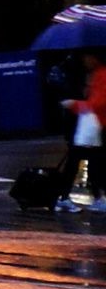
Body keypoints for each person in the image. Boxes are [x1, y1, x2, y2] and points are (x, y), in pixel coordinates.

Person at [54, 49, 106, 212]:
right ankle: (69, 197)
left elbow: (97, 102)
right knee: (84, 161)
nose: (86, 60)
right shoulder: (92, 74)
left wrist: (75, 104)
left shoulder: (99, 74)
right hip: (88, 125)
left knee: (85, 161)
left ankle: (68, 196)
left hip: (90, 124)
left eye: (88, 56)